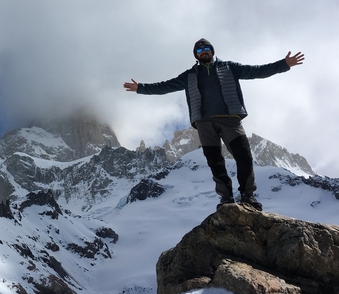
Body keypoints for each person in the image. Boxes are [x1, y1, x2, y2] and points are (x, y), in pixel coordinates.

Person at [124, 39, 304, 211]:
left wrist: (284, 64)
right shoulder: (189, 75)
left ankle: (247, 196)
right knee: (215, 162)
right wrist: (140, 88)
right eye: (200, 50)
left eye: (206, 48)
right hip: (204, 123)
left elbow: (256, 71)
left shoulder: (229, 68)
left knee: (244, 157)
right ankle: (226, 198)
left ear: (212, 50)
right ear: (196, 55)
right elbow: (164, 86)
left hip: (230, 120)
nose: (204, 52)